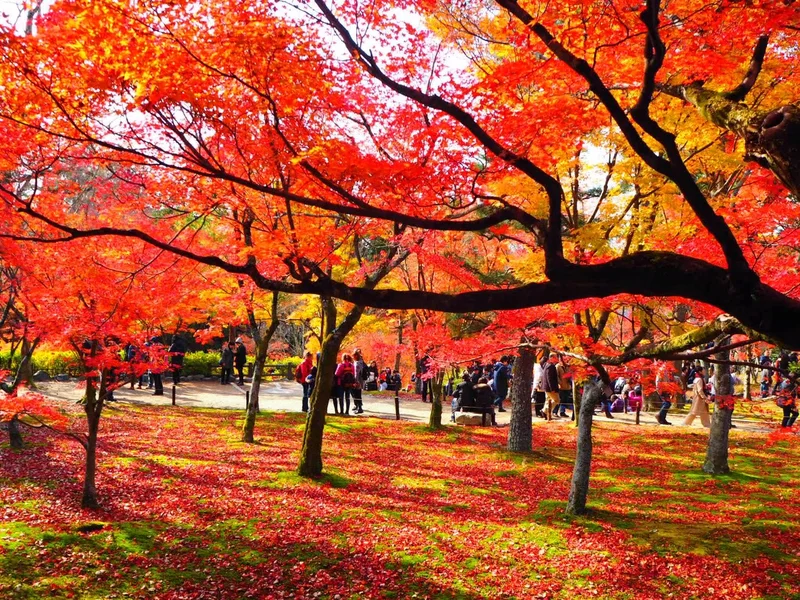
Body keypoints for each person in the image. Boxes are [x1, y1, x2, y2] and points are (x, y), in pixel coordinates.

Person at [542, 354, 560, 420]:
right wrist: (552, 388)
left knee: (548, 400)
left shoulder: (546, 365)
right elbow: (550, 378)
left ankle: (546, 413)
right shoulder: (551, 366)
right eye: (555, 357)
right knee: (556, 400)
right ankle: (545, 411)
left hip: (546, 386)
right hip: (550, 387)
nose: (556, 358)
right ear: (551, 357)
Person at [352, 349, 367, 414]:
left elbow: (357, 373)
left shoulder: (358, 363)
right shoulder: (361, 362)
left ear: (356, 356)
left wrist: (355, 381)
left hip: (358, 381)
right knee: (357, 394)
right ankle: (358, 406)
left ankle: (360, 408)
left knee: (357, 394)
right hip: (360, 380)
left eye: (353, 356)